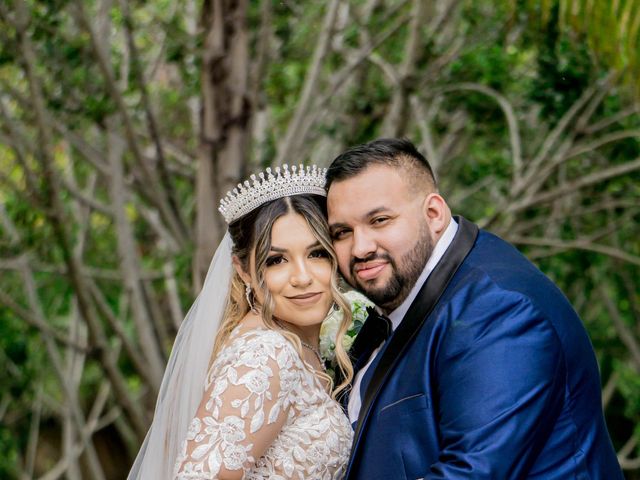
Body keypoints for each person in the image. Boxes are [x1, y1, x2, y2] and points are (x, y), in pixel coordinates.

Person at [325, 138, 623, 479]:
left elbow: (472, 472)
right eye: (342, 232)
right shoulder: (411, 294)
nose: (360, 248)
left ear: (434, 214)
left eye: (379, 220)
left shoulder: (499, 311)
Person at [128, 165, 354, 480]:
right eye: (276, 260)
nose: (303, 278)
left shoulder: (293, 343)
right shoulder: (265, 354)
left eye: (317, 254)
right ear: (244, 270)